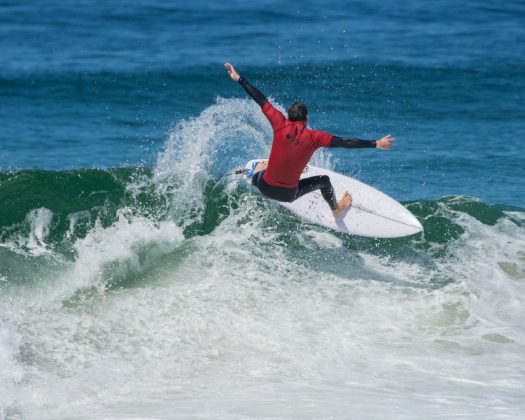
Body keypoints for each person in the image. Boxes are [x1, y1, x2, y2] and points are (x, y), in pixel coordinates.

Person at [224, 62, 395, 219]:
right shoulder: (315, 137)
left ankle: (255, 177)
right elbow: (345, 142)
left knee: (261, 173)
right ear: (306, 118)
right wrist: (375, 143)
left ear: (289, 117)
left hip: (265, 186)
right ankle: (336, 209)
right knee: (324, 181)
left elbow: (260, 99)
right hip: (288, 194)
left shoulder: (279, 122)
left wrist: (239, 78)